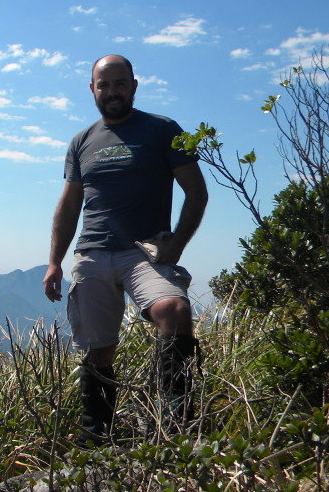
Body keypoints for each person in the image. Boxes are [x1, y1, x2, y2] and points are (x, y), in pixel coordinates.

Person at [42, 54, 208, 443]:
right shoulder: (82, 141)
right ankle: (96, 432)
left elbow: (196, 193)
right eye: (104, 85)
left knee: (175, 309)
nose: (112, 92)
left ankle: (175, 421)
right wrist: (54, 262)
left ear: (134, 85)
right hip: (92, 253)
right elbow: (69, 205)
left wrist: (178, 242)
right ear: (92, 89)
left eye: (120, 84)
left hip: (143, 252)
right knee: (98, 349)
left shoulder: (162, 130)